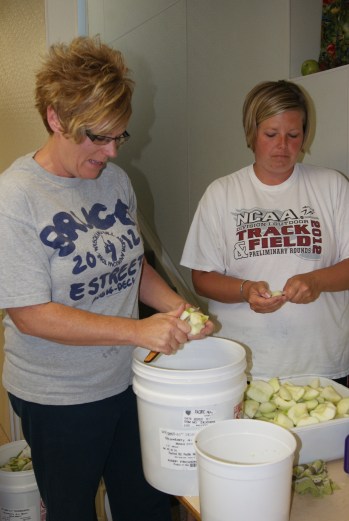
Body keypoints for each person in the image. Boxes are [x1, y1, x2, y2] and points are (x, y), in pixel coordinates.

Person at [0, 36, 213, 521]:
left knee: (151, 502)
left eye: (120, 136)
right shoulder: (16, 197)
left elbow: (131, 265)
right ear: (56, 118)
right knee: (73, 510)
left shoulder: (114, 181)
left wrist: (178, 308)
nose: (113, 151)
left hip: (129, 379)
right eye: (99, 137)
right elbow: (30, 315)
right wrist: (138, 330)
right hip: (58, 396)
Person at [181, 79, 349, 385]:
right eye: (271, 134)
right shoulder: (222, 193)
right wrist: (244, 290)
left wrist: (316, 280)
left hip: (322, 365)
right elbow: (202, 278)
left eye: (293, 135)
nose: (283, 146)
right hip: (246, 367)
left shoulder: (333, 186)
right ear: (251, 133)